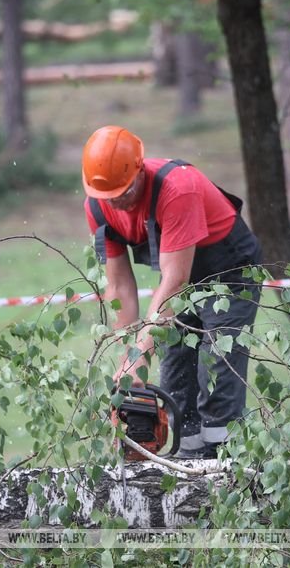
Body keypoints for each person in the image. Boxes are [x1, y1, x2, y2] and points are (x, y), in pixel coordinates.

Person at [82, 125, 263, 459]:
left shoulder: (177, 189)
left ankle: (224, 460)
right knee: (176, 374)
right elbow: (120, 287)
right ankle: (184, 460)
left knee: (218, 364)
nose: (117, 202)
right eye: (109, 197)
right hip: (178, 276)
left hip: (228, 270)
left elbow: (175, 280)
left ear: (139, 169)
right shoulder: (97, 208)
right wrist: (127, 361)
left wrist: (140, 357)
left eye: (123, 192)